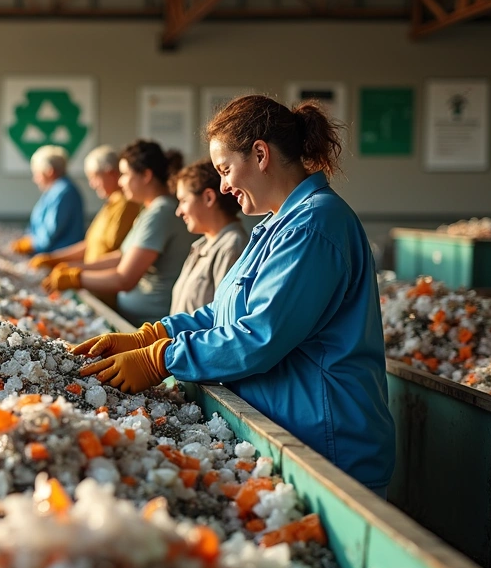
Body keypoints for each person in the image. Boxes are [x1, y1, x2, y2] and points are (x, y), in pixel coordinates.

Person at [72, 96, 395, 495]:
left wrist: (164, 358)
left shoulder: (314, 225)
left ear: (260, 154)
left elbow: (260, 335)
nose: (223, 185)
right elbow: (221, 313)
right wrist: (151, 335)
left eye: (225, 170)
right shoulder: (277, 226)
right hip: (294, 431)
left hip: (328, 443)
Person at [41, 140, 187, 327]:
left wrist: (76, 277)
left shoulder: (161, 212)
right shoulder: (151, 210)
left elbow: (124, 278)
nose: (120, 181)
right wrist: (71, 266)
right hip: (134, 319)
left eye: (125, 174)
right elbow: (121, 257)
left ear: (146, 175)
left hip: (148, 324)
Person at [28, 145, 142, 272]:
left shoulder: (128, 204)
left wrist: (75, 269)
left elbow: (120, 255)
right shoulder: (111, 203)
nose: (92, 184)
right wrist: (54, 259)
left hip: (105, 282)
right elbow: (90, 244)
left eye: (94, 177)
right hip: (92, 279)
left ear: (110, 173)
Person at [169, 159, 248, 315]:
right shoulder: (201, 245)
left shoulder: (232, 247)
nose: (179, 211)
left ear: (208, 198)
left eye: (184, 201)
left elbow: (223, 317)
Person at [10, 145, 85, 256]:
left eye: (37, 173)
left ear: (50, 171)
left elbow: (49, 234)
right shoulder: (54, 191)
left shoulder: (63, 192)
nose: (35, 179)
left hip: (57, 257)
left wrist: (29, 244)